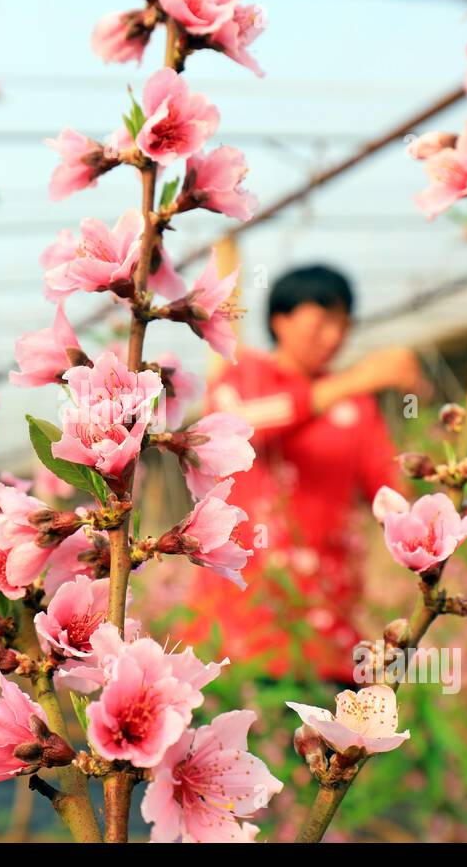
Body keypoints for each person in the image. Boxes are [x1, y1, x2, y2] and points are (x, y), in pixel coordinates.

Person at [182, 264, 429, 683]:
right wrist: (359, 379)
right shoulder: (245, 378)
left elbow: (391, 493)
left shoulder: (359, 409)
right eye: (321, 322)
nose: (334, 337)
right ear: (281, 320)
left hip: (327, 631)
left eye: (343, 324)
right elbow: (239, 423)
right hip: (237, 630)